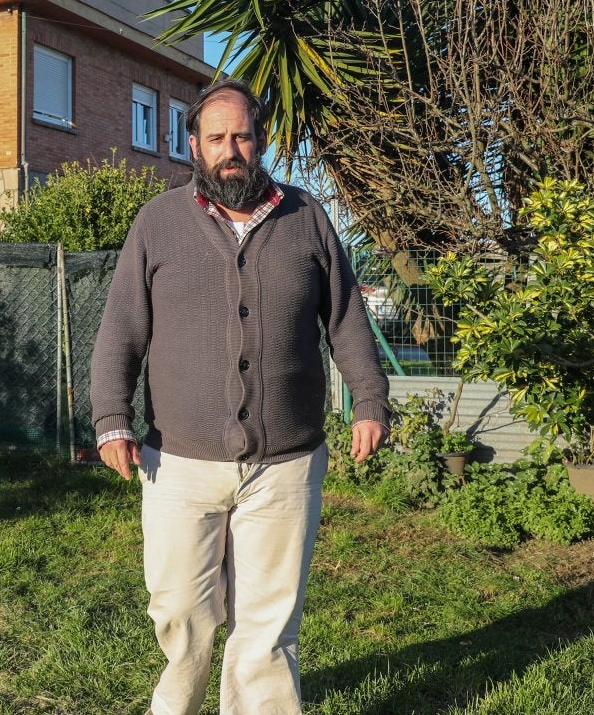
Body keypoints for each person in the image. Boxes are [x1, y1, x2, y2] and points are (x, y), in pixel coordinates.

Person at [90, 78, 391, 715]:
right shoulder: (158, 222)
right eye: (218, 138)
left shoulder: (306, 216)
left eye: (244, 136)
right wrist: (113, 419)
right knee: (182, 616)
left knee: (268, 627)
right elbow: (121, 326)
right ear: (193, 147)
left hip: (285, 462)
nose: (233, 150)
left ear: (261, 142)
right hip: (179, 463)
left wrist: (368, 397)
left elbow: (344, 319)